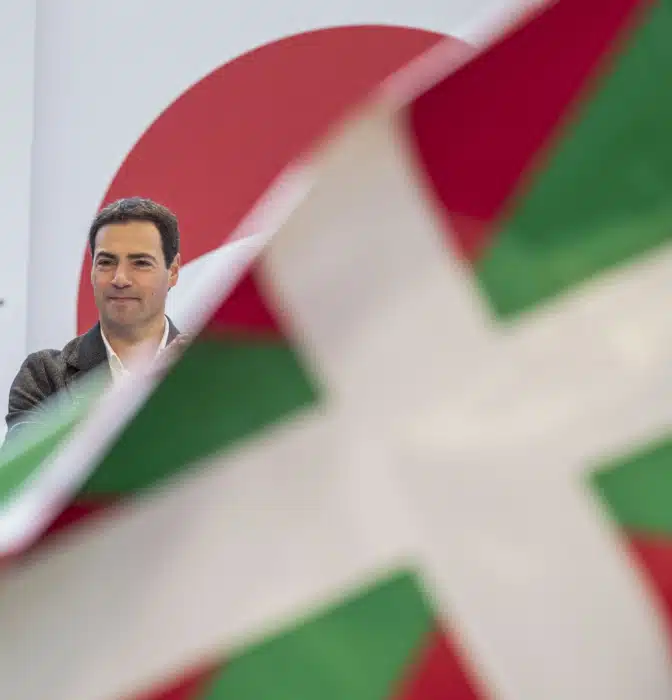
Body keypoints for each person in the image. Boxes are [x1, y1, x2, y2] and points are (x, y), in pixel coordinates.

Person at [4, 197, 190, 442]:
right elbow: (31, 465)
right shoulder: (45, 375)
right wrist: (144, 389)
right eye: (106, 262)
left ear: (173, 271)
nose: (120, 278)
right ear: (92, 271)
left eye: (140, 263)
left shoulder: (207, 370)